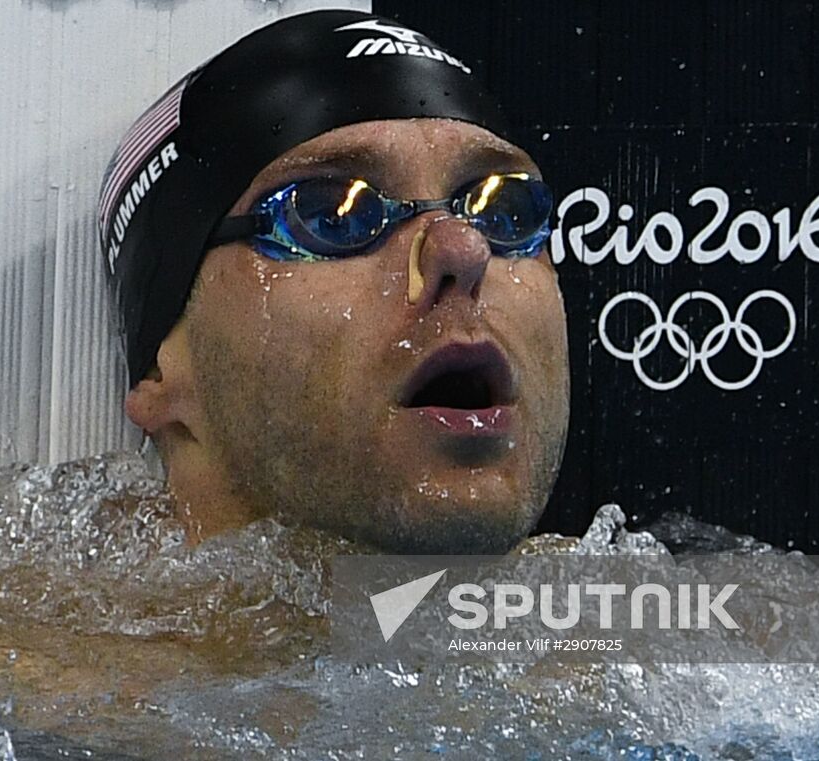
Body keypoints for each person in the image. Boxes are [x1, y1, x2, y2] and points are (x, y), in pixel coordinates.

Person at [100, 9, 571, 554]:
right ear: (161, 365)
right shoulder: (23, 633)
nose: (465, 249)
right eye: (332, 216)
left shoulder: (629, 623)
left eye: (505, 211)